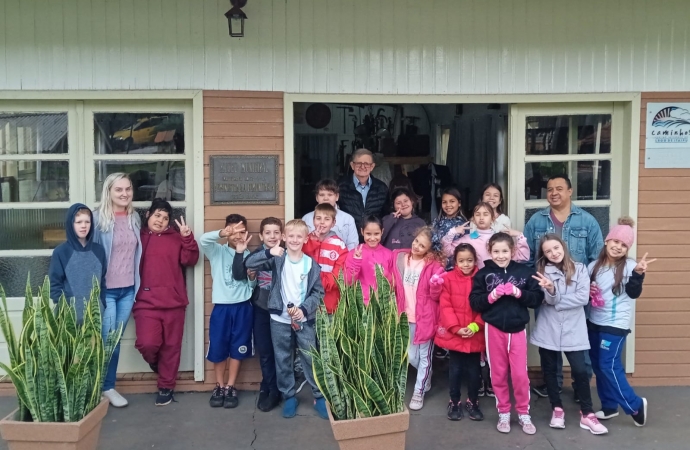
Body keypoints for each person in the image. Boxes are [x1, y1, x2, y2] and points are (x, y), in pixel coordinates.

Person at [522, 174, 604, 398]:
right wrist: (537, 284)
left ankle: (581, 387)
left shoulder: (587, 221)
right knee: (549, 341)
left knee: (579, 341)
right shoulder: (536, 221)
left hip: (576, 292)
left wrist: (592, 285)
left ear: (570, 191)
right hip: (547, 290)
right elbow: (527, 257)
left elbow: (596, 258)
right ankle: (553, 385)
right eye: (549, 189)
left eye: (559, 188)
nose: (554, 193)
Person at [245, 219, 328, 420]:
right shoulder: (277, 258)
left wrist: (305, 310)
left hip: (303, 318)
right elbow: (248, 263)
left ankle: (319, 397)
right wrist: (268, 252)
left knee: (310, 356)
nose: (294, 240)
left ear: (306, 239)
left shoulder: (311, 264)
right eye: (290, 236)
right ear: (284, 238)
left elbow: (318, 293)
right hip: (278, 318)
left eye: (299, 236)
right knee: (282, 357)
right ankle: (289, 396)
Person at [530, 234, 608, 434]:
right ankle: (557, 409)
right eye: (548, 251)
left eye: (556, 248)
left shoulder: (580, 268)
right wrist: (551, 291)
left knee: (580, 371)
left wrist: (554, 297)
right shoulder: (541, 272)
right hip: (548, 328)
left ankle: (587, 413)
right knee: (550, 370)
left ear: (563, 246)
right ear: (544, 255)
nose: (553, 253)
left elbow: (582, 298)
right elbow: (545, 299)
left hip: (574, 328)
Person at [470, 233, 544, 435]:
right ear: (490, 251)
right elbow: (475, 302)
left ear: (512, 251)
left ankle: (523, 412)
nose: (500, 255)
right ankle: (503, 412)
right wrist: (491, 296)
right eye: (496, 251)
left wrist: (519, 293)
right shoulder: (482, 274)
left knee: (520, 374)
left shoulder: (524, 272)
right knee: (498, 373)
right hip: (493, 329)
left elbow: (537, 299)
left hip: (518, 329)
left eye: (505, 251)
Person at [132, 199, 199, 406]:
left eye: (165, 218)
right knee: (147, 342)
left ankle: (166, 387)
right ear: (148, 215)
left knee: (171, 347)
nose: (160, 221)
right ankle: (154, 362)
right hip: (145, 302)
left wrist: (187, 238)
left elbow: (190, 260)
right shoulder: (138, 238)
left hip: (174, 303)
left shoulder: (176, 238)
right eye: (157, 215)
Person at [588, 217, 653, 427]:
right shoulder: (594, 266)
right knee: (598, 365)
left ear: (627, 249)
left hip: (614, 325)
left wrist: (638, 275)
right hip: (594, 321)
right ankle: (609, 406)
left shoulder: (629, 267)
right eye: (615, 241)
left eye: (624, 245)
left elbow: (634, 293)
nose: (618, 247)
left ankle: (634, 405)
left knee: (608, 365)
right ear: (607, 241)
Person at [93, 173, 143, 408]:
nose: (124, 194)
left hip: (127, 290)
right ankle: (99, 388)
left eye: (128, 189)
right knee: (105, 341)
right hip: (107, 291)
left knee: (115, 340)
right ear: (109, 192)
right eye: (118, 190)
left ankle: (107, 386)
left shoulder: (134, 218)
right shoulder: (97, 219)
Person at [201, 214, 256, 409]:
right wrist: (221, 233)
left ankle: (231, 386)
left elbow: (251, 284)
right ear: (226, 232)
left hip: (242, 307)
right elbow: (203, 240)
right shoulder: (217, 251)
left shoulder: (249, 255)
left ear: (246, 233)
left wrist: (251, 277)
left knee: (238, 346)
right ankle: (219, 385)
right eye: (232, 231)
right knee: (219, 346)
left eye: (241, 231)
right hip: (222, 308)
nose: (236, 235)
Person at [390, 227, 445, 411]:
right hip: (404, 316)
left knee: (424, 357)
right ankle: (426, 376)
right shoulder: (400, 258)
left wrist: (436, 285)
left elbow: (436, 295)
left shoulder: (434, 266)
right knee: (411, 356)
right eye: (416, 242)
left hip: (425, 318)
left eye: (422, 246)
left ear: (429, 249)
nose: (417, 247)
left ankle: (418, 391)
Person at [435, 244, 485, 422]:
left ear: (475, 261)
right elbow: (445, 306)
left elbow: (485, 305)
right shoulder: (447, 279)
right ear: (455, 261)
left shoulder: (482, 278)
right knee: (454, 370)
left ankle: (473, 401)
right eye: (461, 261)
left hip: (474, 334)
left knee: (474, 371)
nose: (466, 264)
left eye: (470, 261)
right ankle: (454, 401)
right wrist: (455, 328)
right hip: (455, 334)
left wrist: (474, 326)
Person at [245, 217, 283, 413]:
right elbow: (248, 263)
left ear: (282, 235)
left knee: (281, 352)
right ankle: (267, 386)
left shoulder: (285, 254)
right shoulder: (258, 254)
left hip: (281, 311)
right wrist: (268, 252)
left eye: (276, 232)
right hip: (261, 308)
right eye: (268, 233)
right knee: (265, 351)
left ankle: (275, 389)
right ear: (261, 236)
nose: (272, 236)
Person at [49, 203, 107, 324]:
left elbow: (102, 281)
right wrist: (63, 309)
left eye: (87, 222)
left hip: (94, 318)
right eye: (79, 222)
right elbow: (55, 285)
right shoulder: (61, 252)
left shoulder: (99, 250)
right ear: (71, 224)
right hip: (68, 319)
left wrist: (102, 304)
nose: (83, 226)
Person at [443, 202, 529, 270]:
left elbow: (523, 256)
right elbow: (447, 252)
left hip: (497, 282)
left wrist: (519, 235)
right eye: (477, 214)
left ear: (492, 219)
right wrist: (453, 232)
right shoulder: (467, 239)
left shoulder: (500, 239)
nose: (481, 218)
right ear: (473, 219)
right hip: (475, 283)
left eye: (485, 214)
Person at [303, 203, 349, 314]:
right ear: (313, 220)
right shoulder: (305, 240)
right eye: (318, 218)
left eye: (327, 219)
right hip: (306, 301)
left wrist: (316, 283)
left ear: (333, 223)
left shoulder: (340, 245)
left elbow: (338, 275)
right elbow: (300, 257)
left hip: (329, 302)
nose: (322, 222)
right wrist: (313, 242)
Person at [338, 149, 390, 238]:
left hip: (372, 239)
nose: (363, 166)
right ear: (352, 165)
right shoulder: (341, 187)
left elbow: (386, 215)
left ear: (372, 166)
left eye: (366, 164)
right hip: (346, 238)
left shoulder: (381, 188)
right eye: (358, 163)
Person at [344, 215, 394, 304]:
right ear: (362, 232)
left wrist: (385, 273)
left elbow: (394, 283)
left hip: (382, 303)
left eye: (376, 234)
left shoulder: (389, 254)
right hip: (359, 303)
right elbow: (348, 281)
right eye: (368, 234)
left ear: (382, 232)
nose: (372, 238)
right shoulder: (354, 253)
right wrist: (356, 261)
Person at [302, 179, 359, 250]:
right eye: (322, 195)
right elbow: (301, 244)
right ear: (316, 197)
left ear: (337, 196)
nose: (326, 198)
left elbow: (352, 246)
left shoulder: (348, 219)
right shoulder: (306, 218)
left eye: (330, 195)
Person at [431, 187, 468, 269]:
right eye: (444, 202)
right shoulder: (436, 222)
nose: (448, 205)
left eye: (452, 201)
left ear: (459, 203)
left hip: (455, 269)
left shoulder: (464, 225)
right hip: (435, 267)